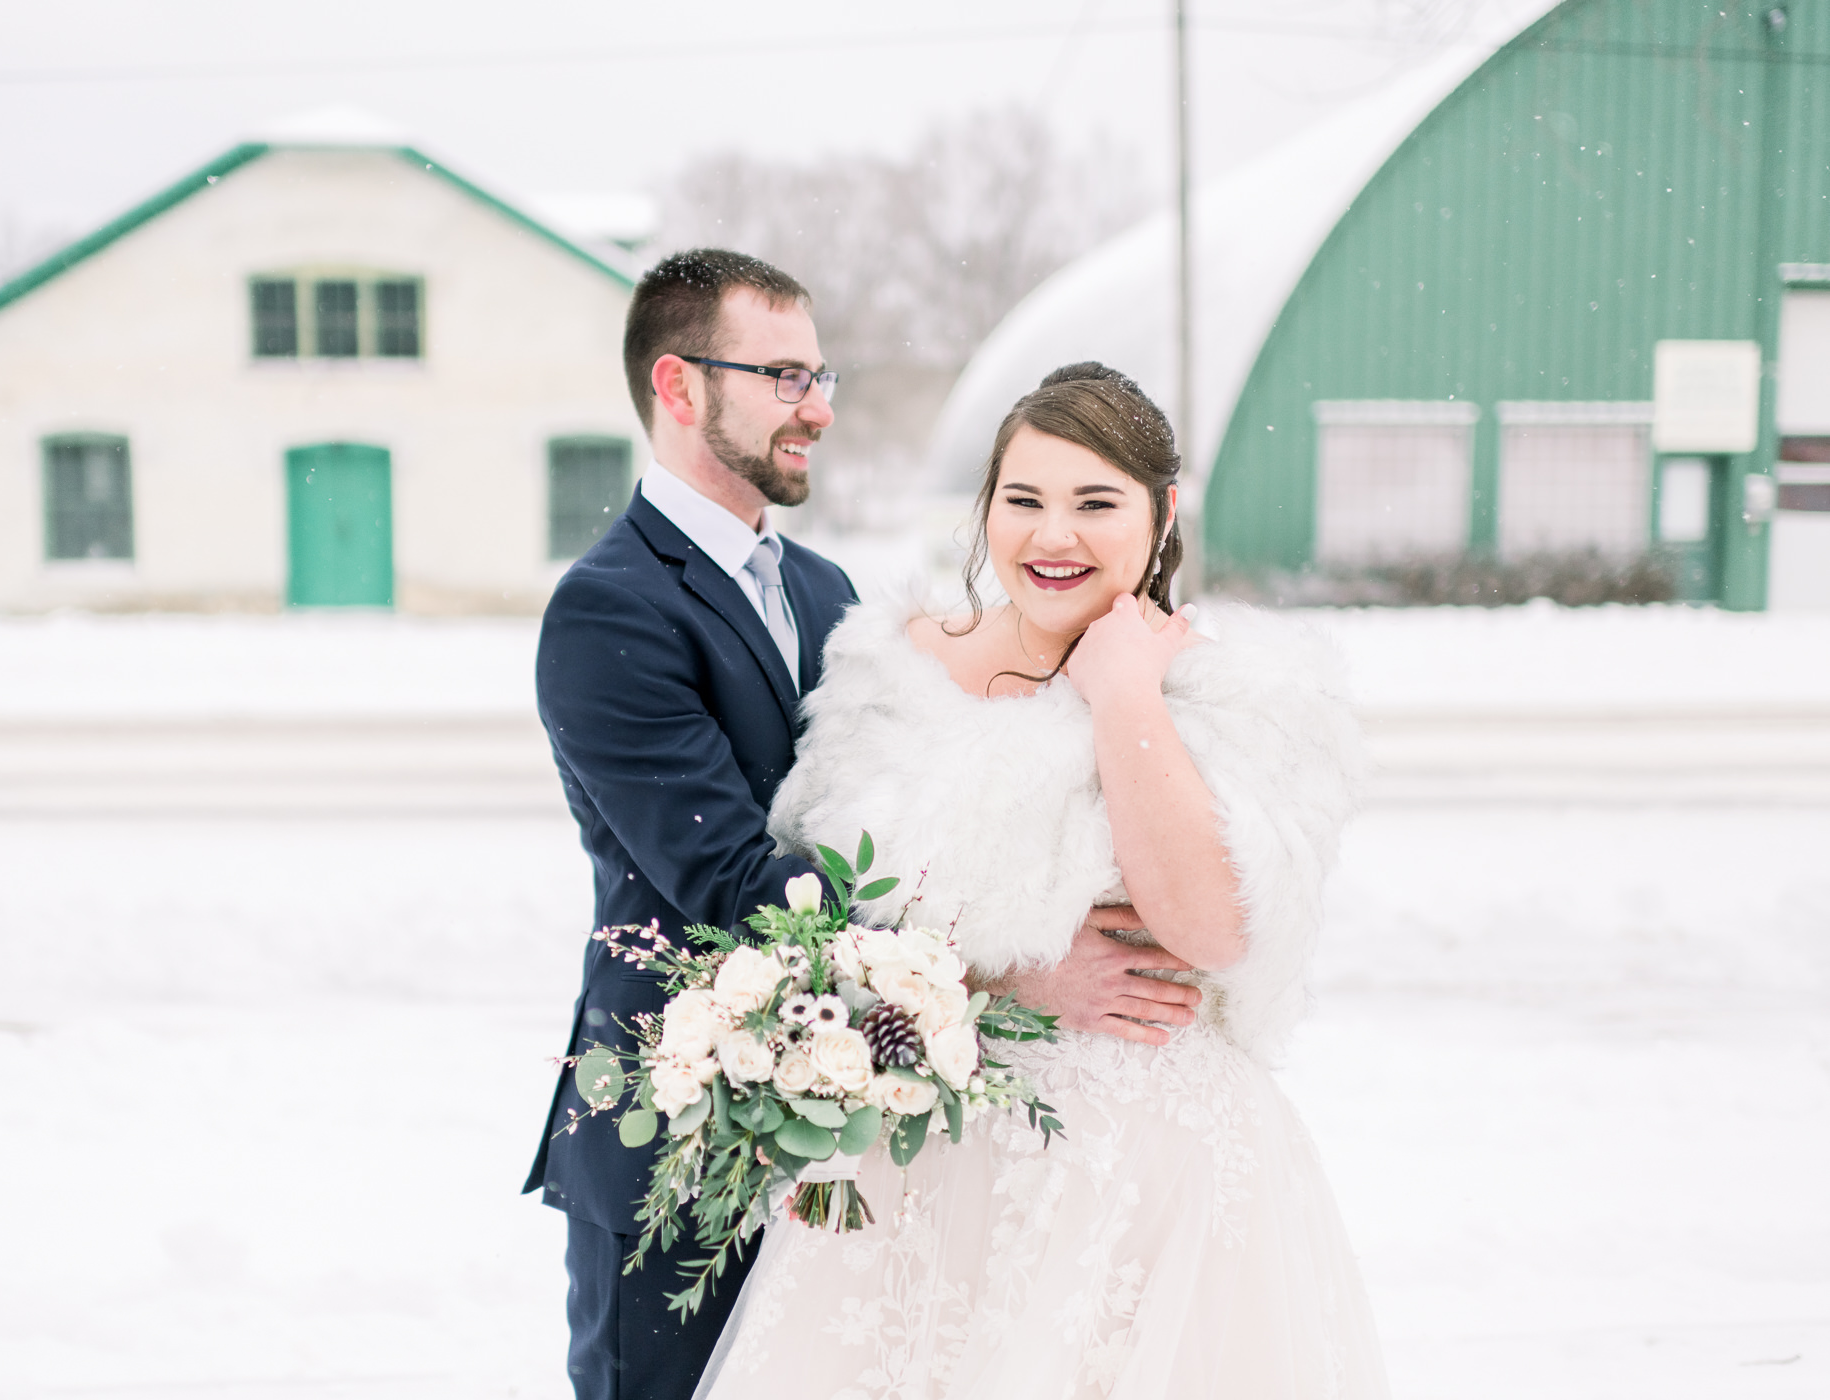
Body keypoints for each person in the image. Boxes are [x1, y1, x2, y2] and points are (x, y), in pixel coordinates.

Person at [528, 260, 1205, 1400]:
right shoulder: (610, 610)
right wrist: (1009, 973)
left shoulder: (821, 583)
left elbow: (891, 818)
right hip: (688, 1128)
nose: (821, 407)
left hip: (861, 1127)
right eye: (784, 374)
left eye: (821, 372)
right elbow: (739, 883)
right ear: (679, 386)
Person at [693, 363, 1390, 1399]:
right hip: (924, 1170)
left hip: (1147, 1185)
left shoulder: (1241, 689)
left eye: (1095, 503)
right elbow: (826, 931)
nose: (1052, 535)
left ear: (1160, 518)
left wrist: (1122, 693)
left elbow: (1207, 926)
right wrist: (1005, 980)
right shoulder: (892, 675)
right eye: (1023, 501)